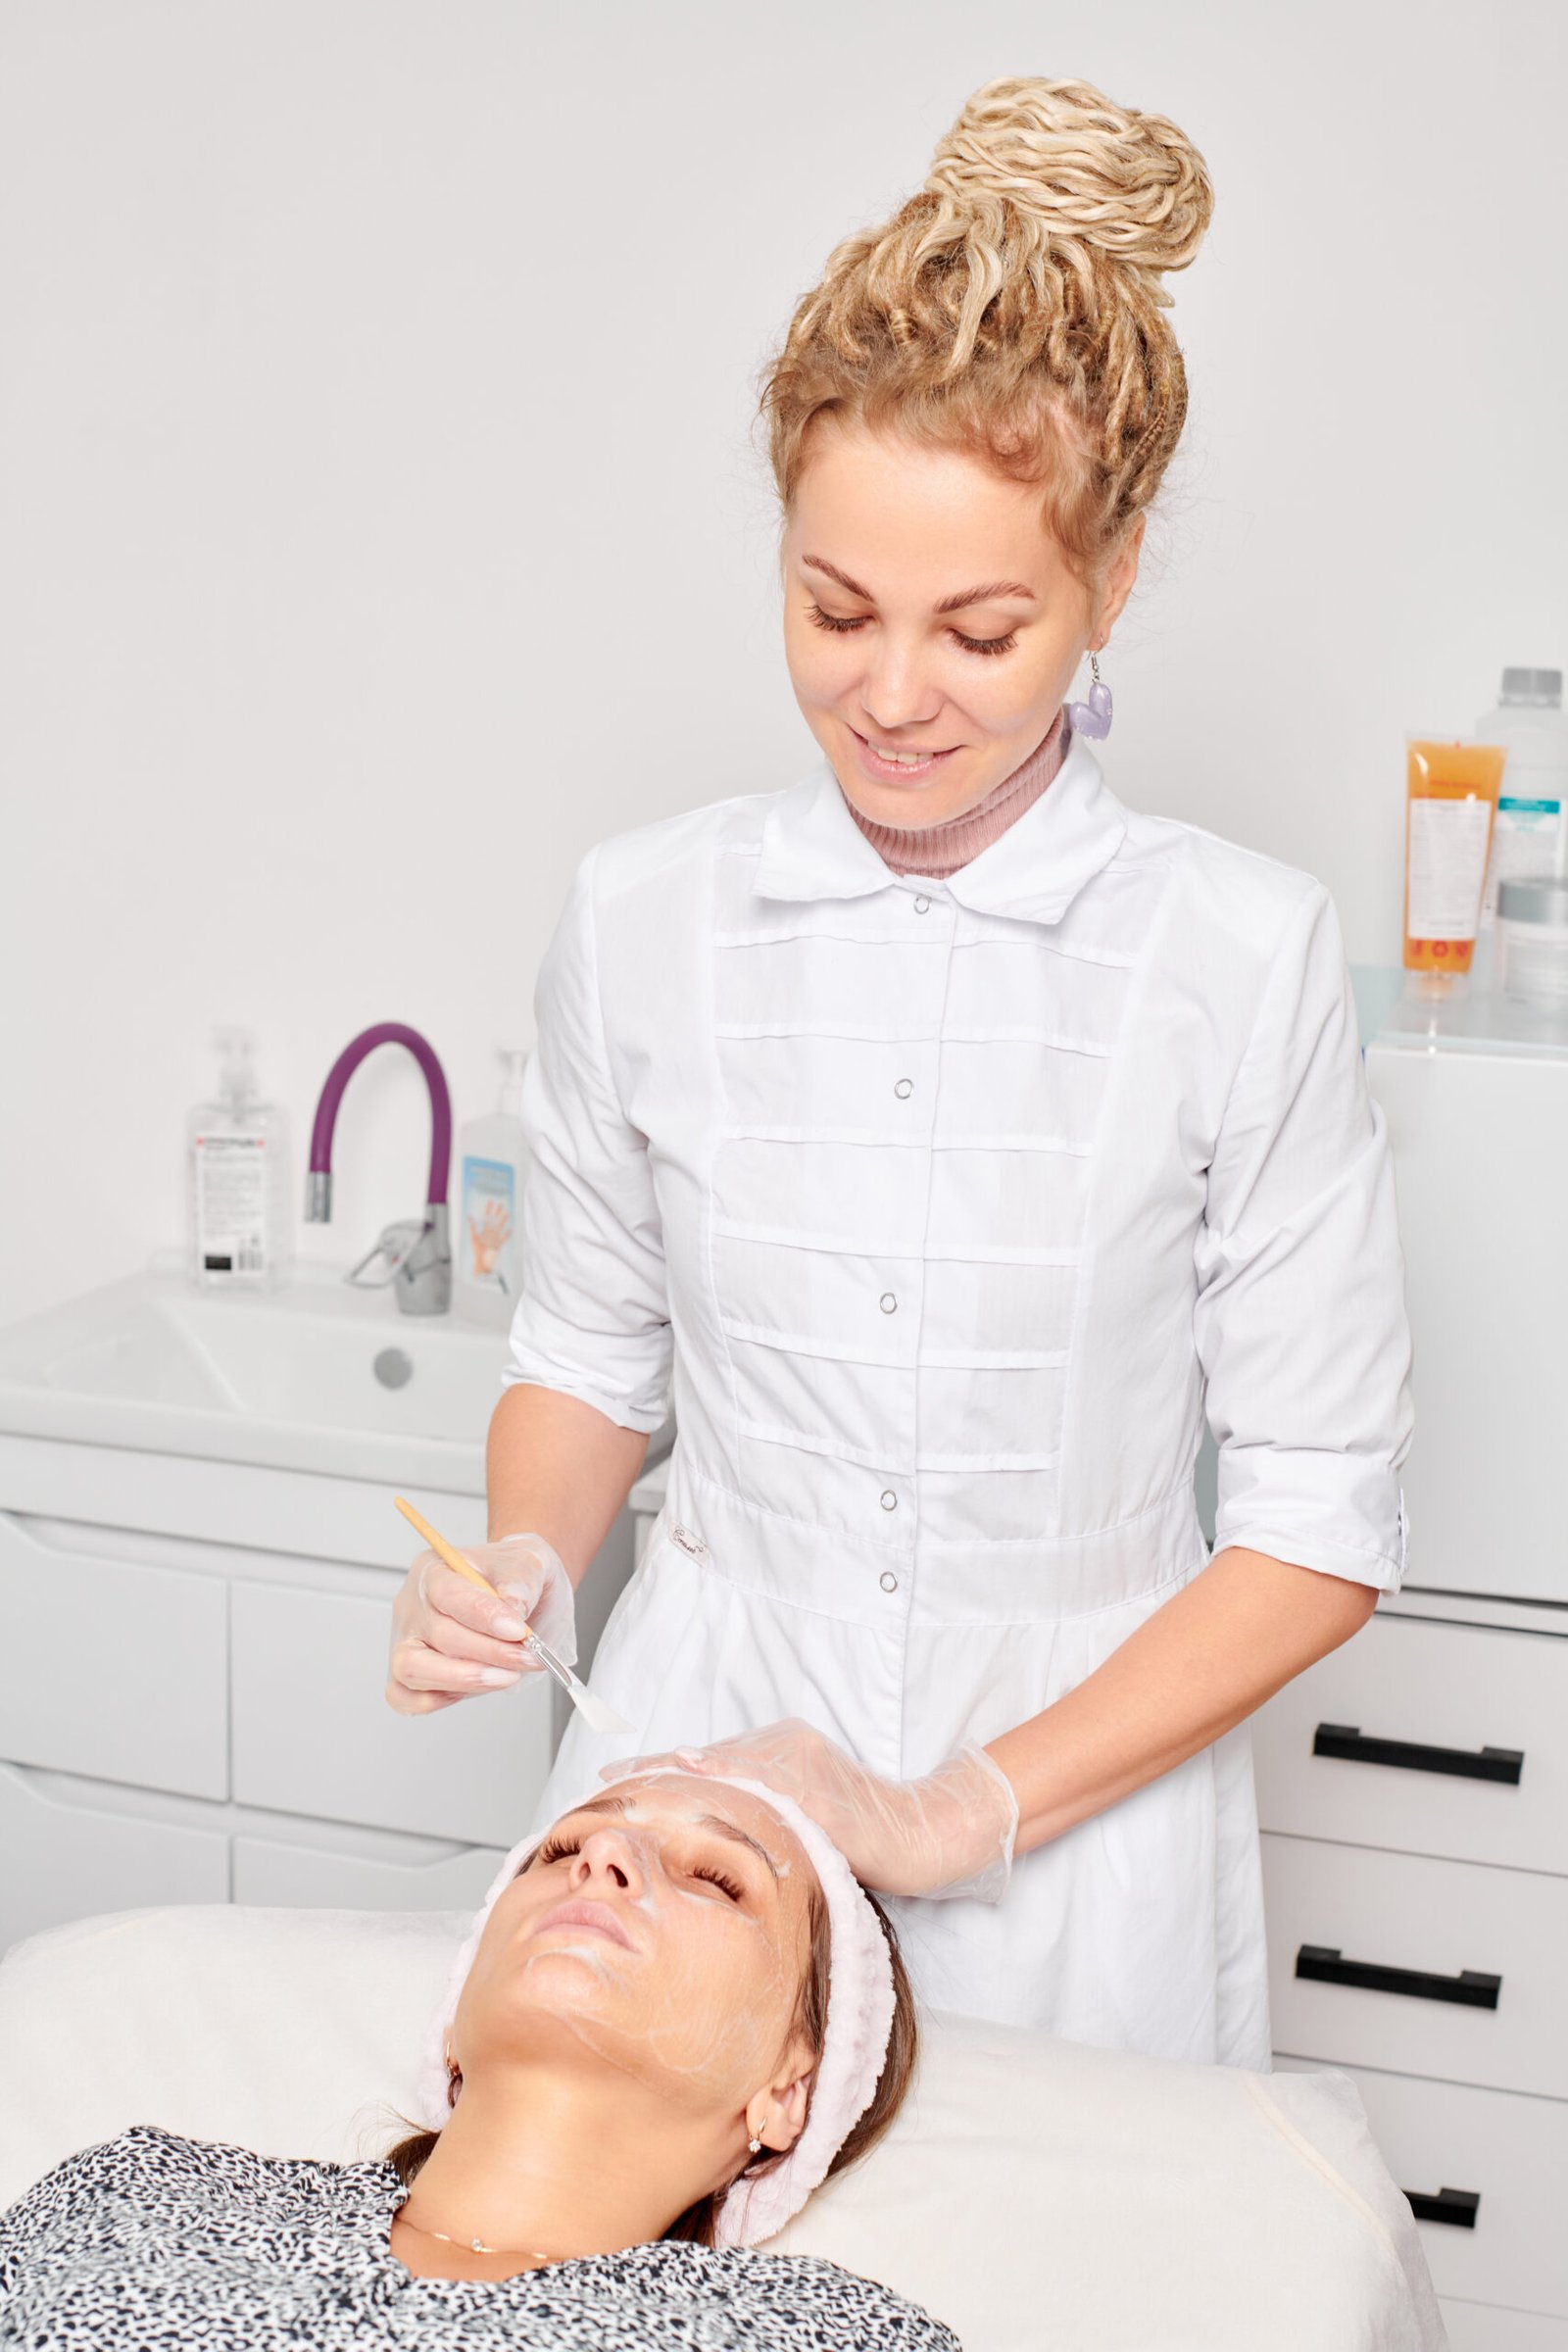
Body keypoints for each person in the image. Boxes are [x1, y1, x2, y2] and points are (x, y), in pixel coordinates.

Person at [387, 73, 1412, 2070]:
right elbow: (587, 1359)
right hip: (692, 1784)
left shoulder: (1235, 955)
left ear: (1111, 584)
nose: (889, 693)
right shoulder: (646, 915)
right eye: (833, 607)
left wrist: (953, 1811)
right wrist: (523, 1562)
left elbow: (1318, 1522)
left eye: (980, 631)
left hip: (1073, 1825)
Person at [0, 1773, 956, 2351]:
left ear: (790, 2090)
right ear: (454, 2025)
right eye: (560, 1848)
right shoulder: (149, 2189)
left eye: (715, 1878)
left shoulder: (819, 2334)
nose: (602, 1853)